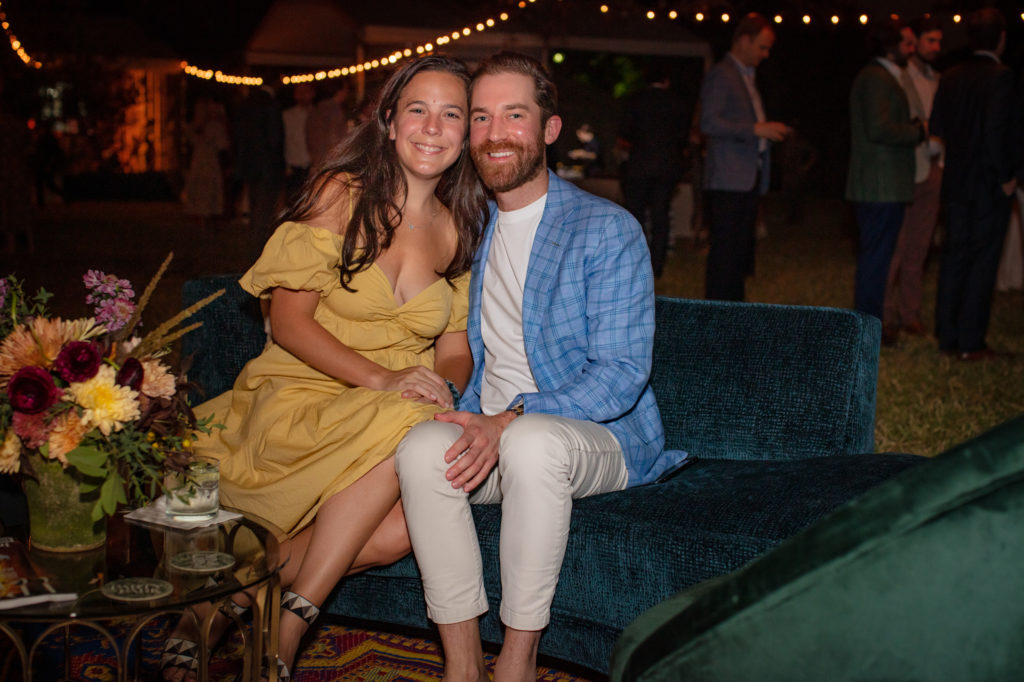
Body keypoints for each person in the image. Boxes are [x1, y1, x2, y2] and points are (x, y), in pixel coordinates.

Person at [162, 55, 487, 682]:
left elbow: (455, 347)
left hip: (396, 407)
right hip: (307, 388)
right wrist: (386, 380)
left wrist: (446, 385)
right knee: (409, 429)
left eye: (451, 114)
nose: (432, 127)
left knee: (400, 532)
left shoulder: (461, 228)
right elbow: (289, 323)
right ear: (388, 121)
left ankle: (226, 601)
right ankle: (288, 634)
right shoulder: (341, 194)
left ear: (466, 133)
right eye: (418, 109)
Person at [394, 51, 682, 682]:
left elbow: (621, 373)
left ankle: (517, 661)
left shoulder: (605, 228)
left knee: (530, 442)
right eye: (480, 117)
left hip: (599, 433)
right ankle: (463, 663)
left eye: (514, 115)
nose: (495, 133)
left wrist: (509, 418)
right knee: (419, 450)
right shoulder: (468, 228)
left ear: (549, 129)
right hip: (491, 423)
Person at [929, 8, 1017, 360]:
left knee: (954, 256)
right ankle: (970, 341)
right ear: (1000, 38)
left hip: (955, 182)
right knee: (982, 260)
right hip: (987, 184)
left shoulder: (950, 76)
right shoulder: (1002, 77)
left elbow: (938, 125)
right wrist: (1007, 175)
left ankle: (947, 335)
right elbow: (996, 132)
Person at [699, 12, 792, 301]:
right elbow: (708, 122)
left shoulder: (746, 76)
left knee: (738, 252)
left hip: (746, 177)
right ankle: (717, 312)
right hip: (728, 179)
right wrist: (756, 129)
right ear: (744, 40)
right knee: (725, 252)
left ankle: (734, 310)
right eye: (762, 47)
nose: (765, 54)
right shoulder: (722, 74)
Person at [845, 18, 925, 327]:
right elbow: (878, 128)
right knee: (876, 260)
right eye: (906, 43)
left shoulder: (880, 76)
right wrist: (918, 131)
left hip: (882, 184)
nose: (911, 49)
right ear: (890, 47)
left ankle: (871, 324)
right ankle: (868, 327)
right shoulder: (876, 78)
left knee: (878, 258)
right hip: (880, 185)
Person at [883, 16, 944, 342]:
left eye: (939, 41)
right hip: (906, 168)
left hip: (933, 167)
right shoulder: (899, 77)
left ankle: (911, 312)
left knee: (920, 247)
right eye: (929, 40)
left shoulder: (938, 79)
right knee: (897, 245)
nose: (936, 47)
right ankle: (885, 313)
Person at [619, 61, 689, 277]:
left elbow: (624, 131)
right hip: (666, 167)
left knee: (635, 216)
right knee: (661, 215)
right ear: (666, 81)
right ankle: (657, 265)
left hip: (639, 166)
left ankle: (635, 263)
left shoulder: (635, 100)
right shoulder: (676, 102)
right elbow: (683, 137)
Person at [182, 97, 230, 225]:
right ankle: (205, 215)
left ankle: (203, 215)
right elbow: (223, 145)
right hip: (209, 161)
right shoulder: (212, 127)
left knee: (202, 187)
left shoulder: (197, 127)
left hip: (201, 161)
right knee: (206, 187)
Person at [281, 82, 315, 204]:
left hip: (313, 165)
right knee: (292, 202)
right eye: (300, 92)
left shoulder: (318, 113)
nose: (303, 95)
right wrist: (286, 165)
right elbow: (283, 141)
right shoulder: (287, 115)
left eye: (306, 92)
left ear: (312, 94)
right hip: (294, 165)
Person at [306, 80, 351, 167]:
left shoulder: (316, 109)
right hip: (330, 160)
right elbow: (334, 137)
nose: (347, 92)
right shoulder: (333, 109)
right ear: (338, 91)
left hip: (317, 159)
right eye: (346, 89)